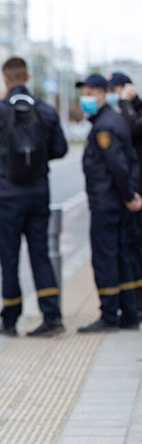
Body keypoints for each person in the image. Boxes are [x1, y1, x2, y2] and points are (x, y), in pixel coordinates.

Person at [0, 56, 68, 337]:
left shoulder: (0, 109)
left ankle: (10, 319)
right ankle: (52, 317)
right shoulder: (45, 111)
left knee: (9, 257)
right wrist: (37, 160)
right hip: (39, 193)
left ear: (5, 79)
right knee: (41, 254)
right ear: (28, 78)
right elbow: (61, 149)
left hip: (8, 195)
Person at [75, 73, 142, 332]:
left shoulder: (105, 125)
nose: (86, 99)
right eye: (84, 94)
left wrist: (128, 195)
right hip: (115, 201)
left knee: (105, 257)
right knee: (122, 256)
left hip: (107, 202)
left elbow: (118, 165)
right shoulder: (112, 120)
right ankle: (129, 313)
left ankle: (109, 315)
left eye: (91, 94)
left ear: (103, 95)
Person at [109, 71, 142, 317]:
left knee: (134, 247)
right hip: (132, 189)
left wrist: (126, 102)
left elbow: (132, 130)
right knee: (129, 246)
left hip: (137, 192)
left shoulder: (132, 111)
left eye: (115, 89)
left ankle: (135, 306)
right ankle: (133, 304)